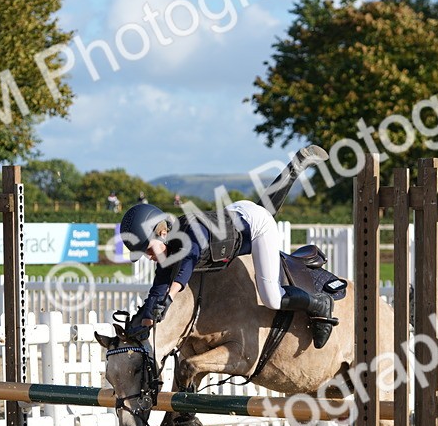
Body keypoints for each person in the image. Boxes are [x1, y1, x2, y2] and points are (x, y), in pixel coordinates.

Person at [119, 145, 334, 349]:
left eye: (148, 250)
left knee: (272, 297)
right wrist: (144, 325)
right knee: (265, 209)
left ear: (162, 233)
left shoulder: (191, 232)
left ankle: (318, 304)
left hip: (257, 227)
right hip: (240, 212)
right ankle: (295, 165)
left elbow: (188, 261)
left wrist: (170, 297)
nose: (149, 257)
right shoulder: (167, 250)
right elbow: (156, 292)